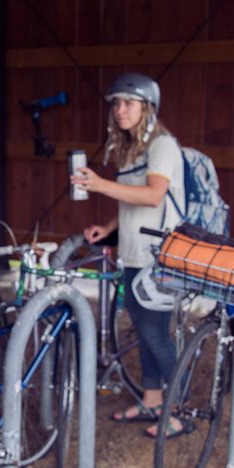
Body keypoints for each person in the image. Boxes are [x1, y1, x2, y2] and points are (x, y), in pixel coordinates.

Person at [72, 72, 185, 437]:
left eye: (129, 103)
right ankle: (153, 400)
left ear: (147, 108)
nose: (120, 110)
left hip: (160, 258)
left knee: (156, 335)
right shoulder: (132, 150)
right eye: (116, 103)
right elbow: (132, 198)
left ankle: (178, 410)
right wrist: (108, 228)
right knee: (143, 329)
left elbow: (153, 195)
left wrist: (100, 184)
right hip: (134, 256)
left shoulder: (162, 145)